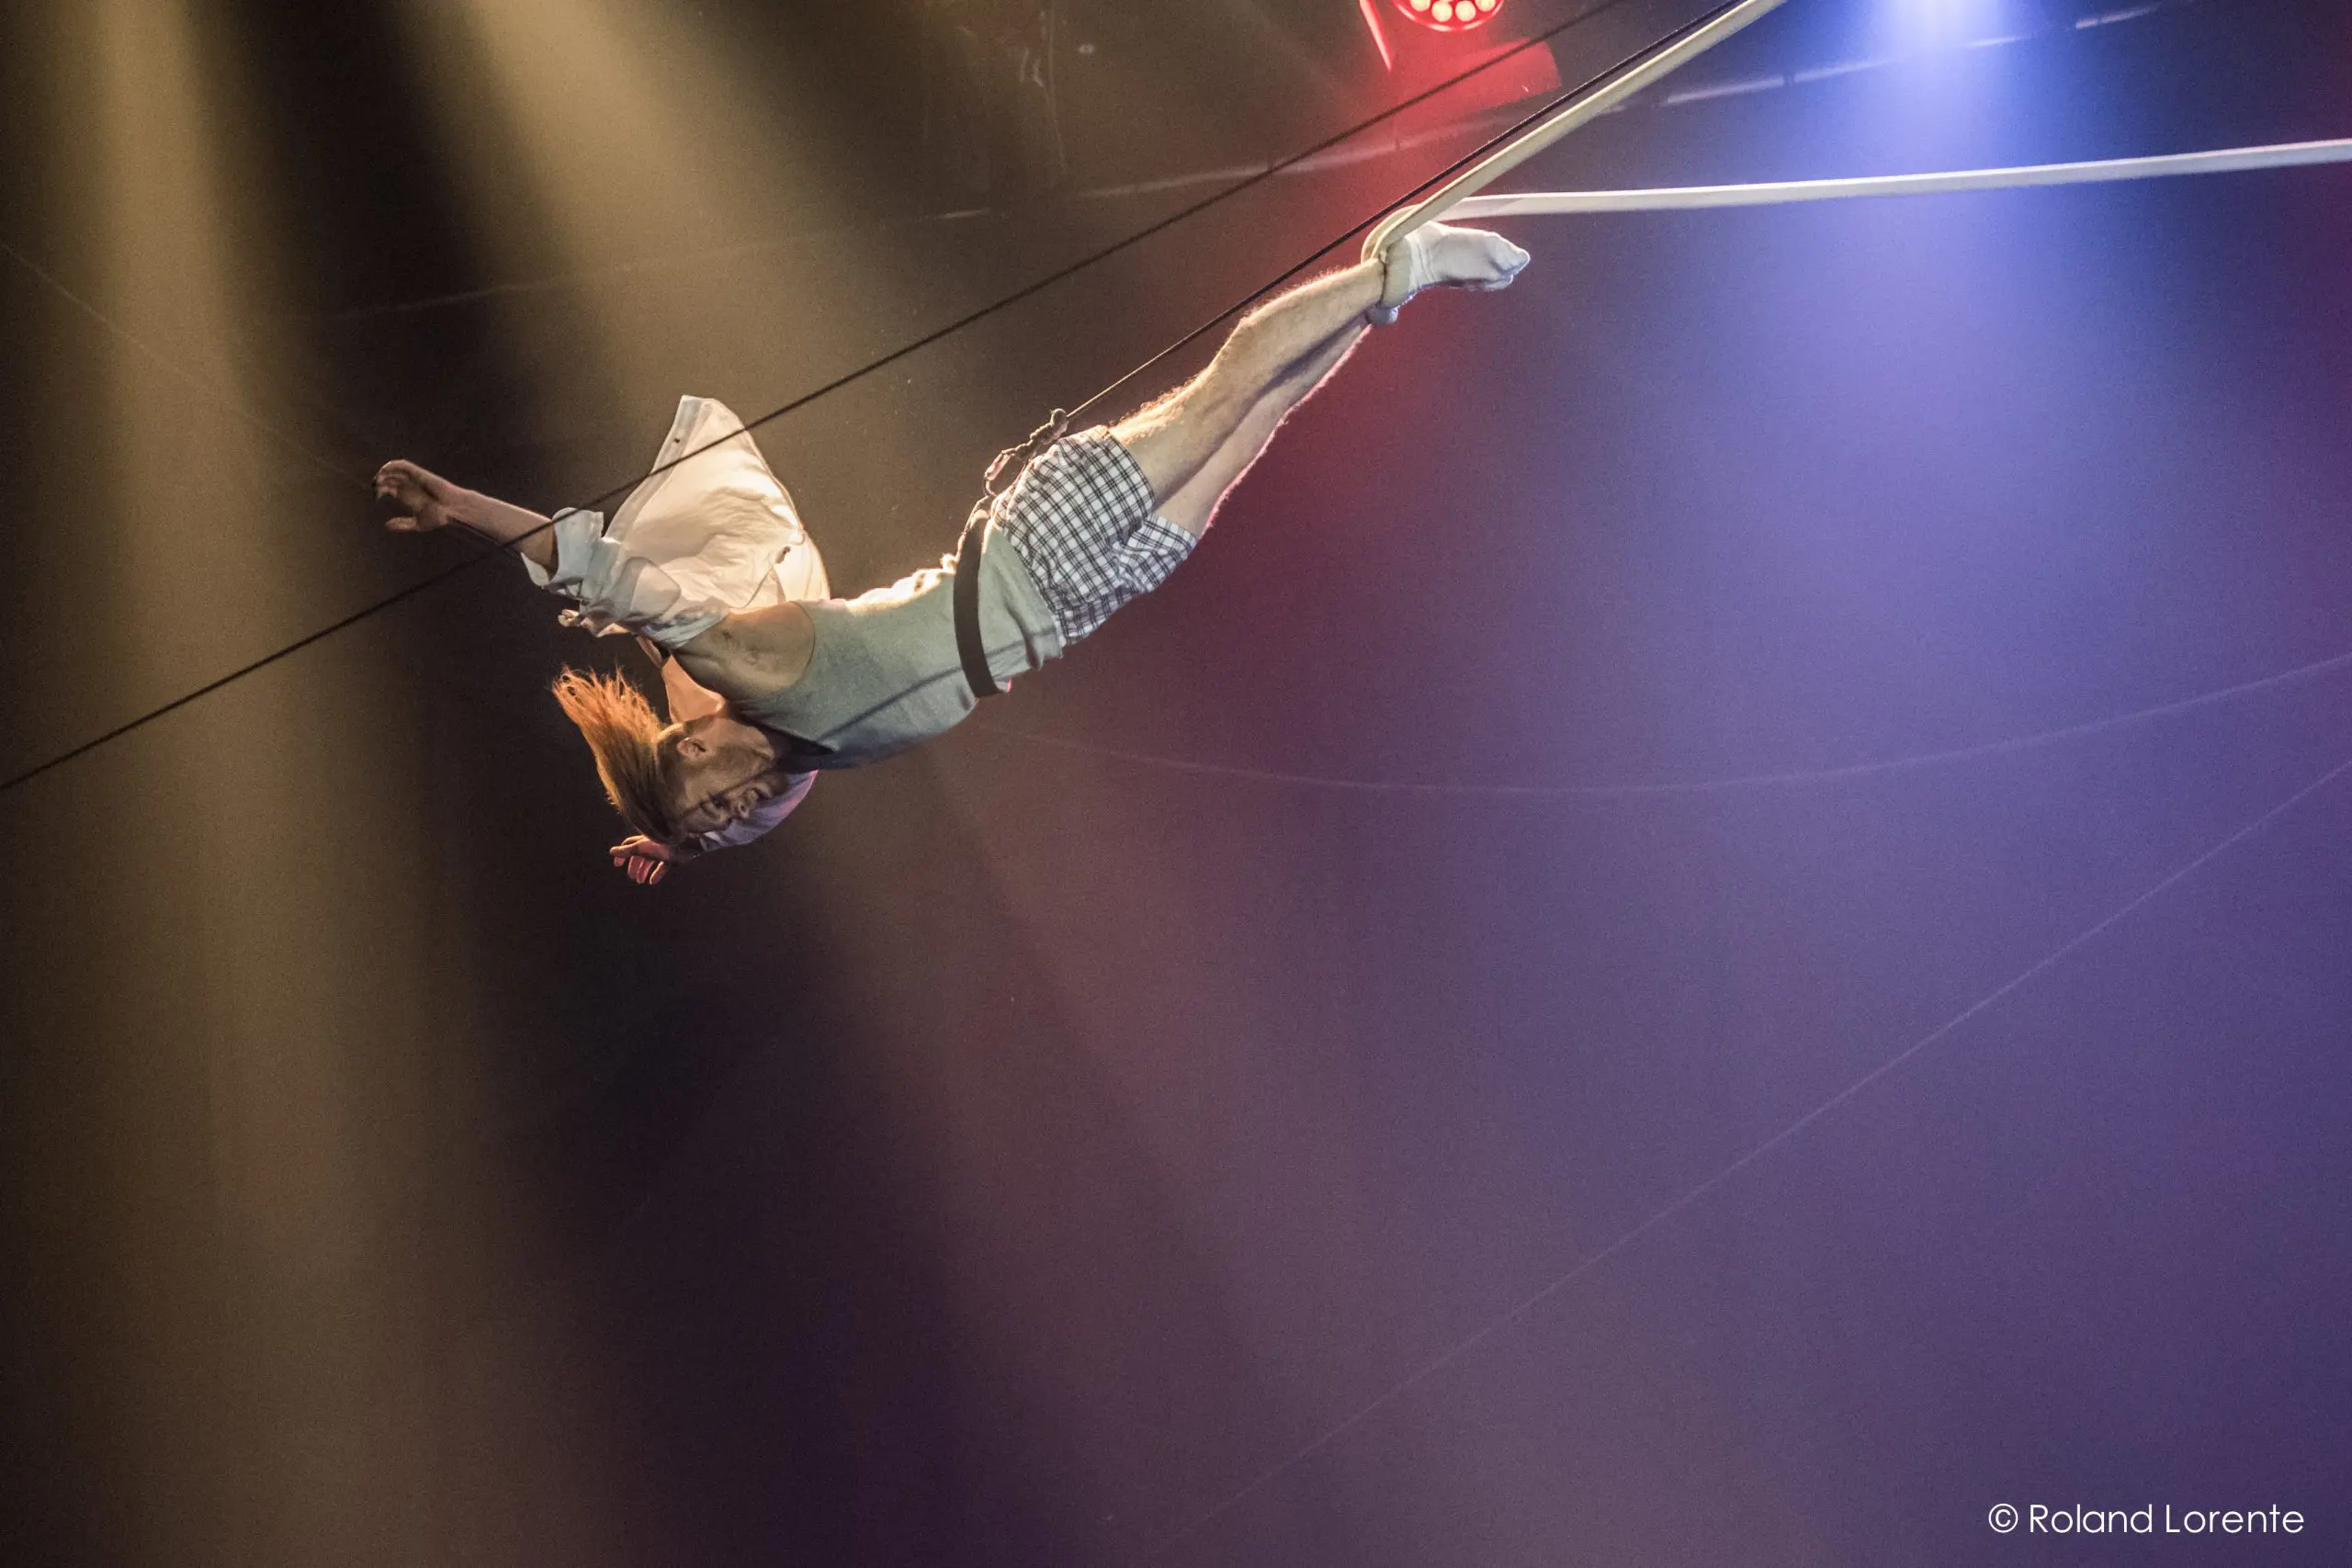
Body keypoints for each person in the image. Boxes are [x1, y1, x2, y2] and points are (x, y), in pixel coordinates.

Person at [375, 220, 1531, 884]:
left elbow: (612, 580)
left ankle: (1400, 267)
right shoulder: (800, 761)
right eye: (722, 829)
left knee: (1220, 399)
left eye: (710, 799)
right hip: (1065, 614)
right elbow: (742, 801)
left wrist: (464, 507)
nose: (734, 816)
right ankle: (1384, 292)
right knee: (1255, 426)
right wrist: (671, 840)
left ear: (695, 733)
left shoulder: (750, 670)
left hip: (1028, 551)